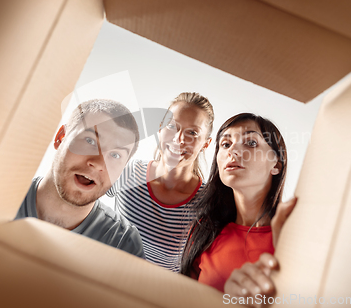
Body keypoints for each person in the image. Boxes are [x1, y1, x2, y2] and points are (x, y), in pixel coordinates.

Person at [180, 113, 296, 294]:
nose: (232, 151)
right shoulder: (202, 232)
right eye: (225, 144)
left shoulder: (291, 238)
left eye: (251, 143)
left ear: (276, 165)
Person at [15, 99, 145, 258]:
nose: (98, 163)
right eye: (90, 141)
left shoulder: (123, 243)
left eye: (115, 155)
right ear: (60, 137)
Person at [108, 92, 214, 271]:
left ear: (205, 144)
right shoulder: (129, 172)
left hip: (158, 293)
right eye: (172, 126)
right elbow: (79, 196)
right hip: (106, 279)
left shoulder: (208, 203)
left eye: (192, 133)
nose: (178, 139)